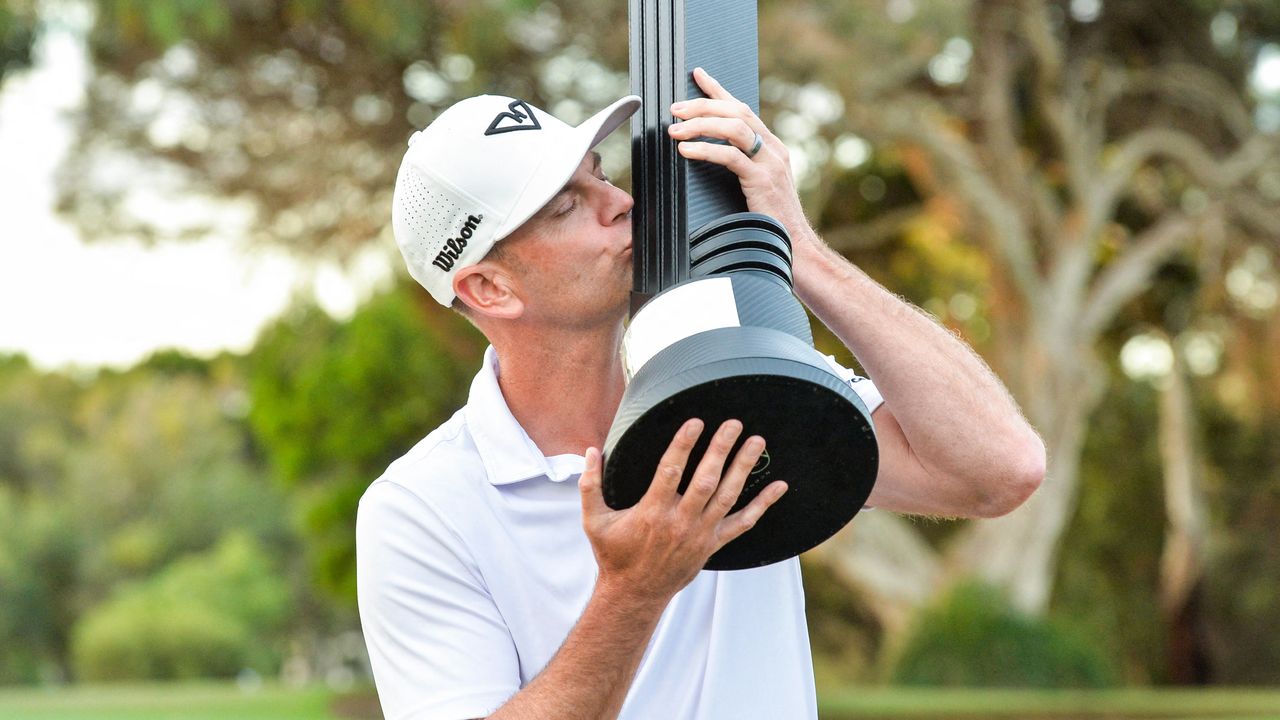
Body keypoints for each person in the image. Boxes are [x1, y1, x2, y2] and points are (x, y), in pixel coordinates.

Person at [357, 68, 1046, 720]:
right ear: (489, 288)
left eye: (598, 175)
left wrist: (794, 246)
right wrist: (634, 592)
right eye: (568, 206)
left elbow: (999, 472)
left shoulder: (737, 382)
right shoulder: (420, 509)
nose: (621, 204)